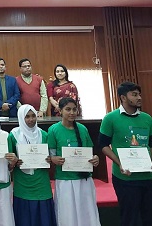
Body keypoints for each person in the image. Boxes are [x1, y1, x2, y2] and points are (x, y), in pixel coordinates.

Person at [98, 81, 152, 226]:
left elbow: (151, 143)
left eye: (139, 94)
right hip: (125, 178)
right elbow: (103, 145)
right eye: (134, 94)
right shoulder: (110, 118)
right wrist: (119, 162)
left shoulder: (147, 118)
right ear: (123, 97)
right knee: (130, 218)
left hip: (148, 177)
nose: (139, 97)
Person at [47, 97, 100, 226]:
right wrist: (53, 159)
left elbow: (90, 152)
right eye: (68, 109)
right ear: (60, 111)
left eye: (74, 109)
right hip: (65, 180)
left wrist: (95, 158)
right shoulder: (53, 130)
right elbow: (50, 156)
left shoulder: (83, 129)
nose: (72, 112)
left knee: (86, 213)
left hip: (84, 179)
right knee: (67, 214)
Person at [10, 104, 56, 226]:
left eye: (33, 116)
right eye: (27, 117)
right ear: (21, 118)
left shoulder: (44, 134)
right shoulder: (14, 135)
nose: (31, 119)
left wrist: (49, 159)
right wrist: (15, 161)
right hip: (23, 184)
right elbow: (9, 162)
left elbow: (51, 156)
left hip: (41, 182)